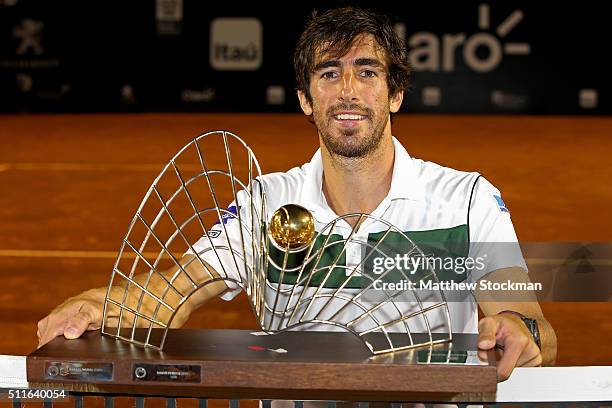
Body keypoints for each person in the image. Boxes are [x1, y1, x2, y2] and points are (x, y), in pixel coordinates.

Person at [37, 6, 556, 382]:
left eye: (367, 72)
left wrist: (518, 329)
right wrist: (92, 306)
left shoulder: (466, 199)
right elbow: (169, 297)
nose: (348, 91)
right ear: (306, 99)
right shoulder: (266, 201)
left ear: (395, 94)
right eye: (329, 74)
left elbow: (530, 324)